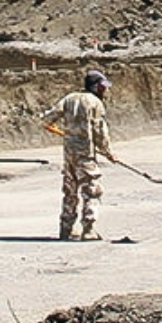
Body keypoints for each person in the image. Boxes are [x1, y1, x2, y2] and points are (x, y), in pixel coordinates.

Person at [42, 70, 118, 240]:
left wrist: (63, 129)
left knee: (70, 191)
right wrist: (108, 152)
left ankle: (65, 229)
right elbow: (100, 131)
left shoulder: (69, 99)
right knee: (91, 190)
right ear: (96, 87)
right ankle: (89, 229)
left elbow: (47, 119)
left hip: (69, 156)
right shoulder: (95, 103)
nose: (105, 91)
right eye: (103, 87)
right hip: (86, 156)